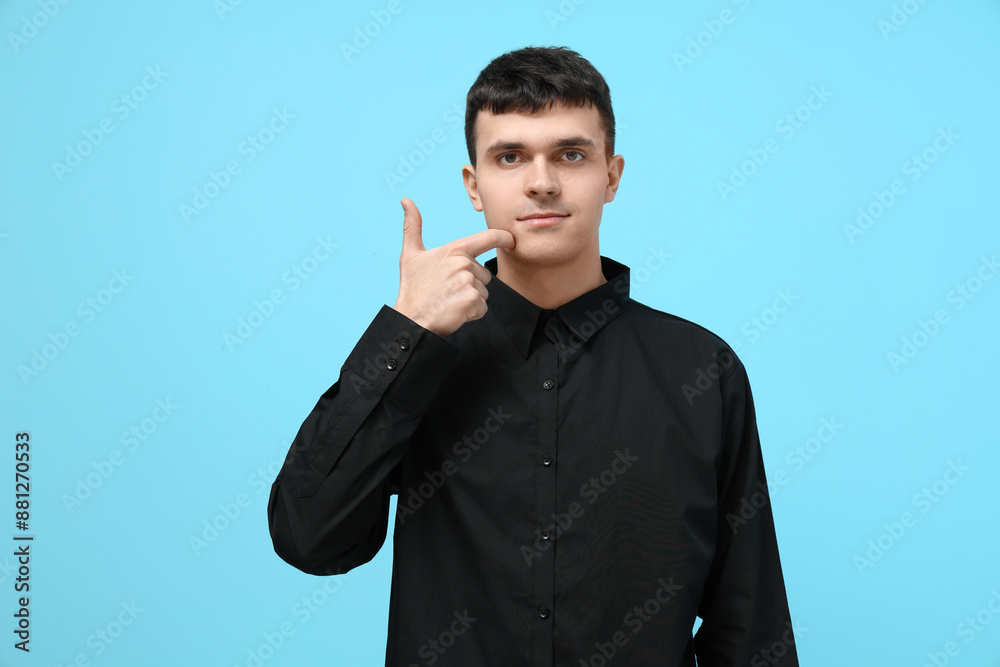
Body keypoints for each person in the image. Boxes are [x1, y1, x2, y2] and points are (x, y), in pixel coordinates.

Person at [268, 45, 799, 666]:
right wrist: (405, 332)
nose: (541, 181)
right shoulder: (418, 358)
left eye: (570, 154)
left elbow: (751, 624)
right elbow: (311, 539)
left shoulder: (703, 371)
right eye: (510, 156)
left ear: (612, 175)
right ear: (474, 185)